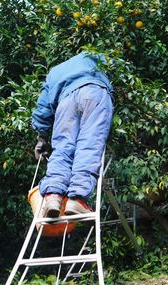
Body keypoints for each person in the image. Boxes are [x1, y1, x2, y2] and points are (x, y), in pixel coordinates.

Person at [32, 51, 113, 218]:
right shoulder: (94, 56)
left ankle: (53, 196)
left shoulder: (55, 71)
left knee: (62, 148)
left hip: (65, 102)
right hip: (94, 92)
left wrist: (41, 138)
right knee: (89, 145)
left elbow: (42, 108)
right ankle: (77, 199)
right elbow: (120, 71)